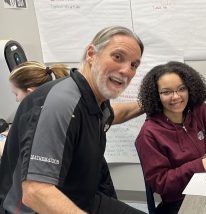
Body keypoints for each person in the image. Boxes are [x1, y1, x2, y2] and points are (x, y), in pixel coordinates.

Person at [0, 26, 146, 214]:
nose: (126, 70)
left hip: (82, 198)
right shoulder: (61, 103)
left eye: (134, 65)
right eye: (118, 57)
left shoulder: (92, 98)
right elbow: (35, 192)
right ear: (91, 54)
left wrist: (149, 103)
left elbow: (115, 113)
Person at [135, 61, 206, 214]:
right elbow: (161, 183)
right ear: (156, 96)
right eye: (166, 92)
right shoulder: (149, 134)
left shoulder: (198, 110)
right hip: (179, 200)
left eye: (181, 89)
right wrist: (199, 167)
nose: (176, 97)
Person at [0, 61, 69, 157]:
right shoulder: (56, 107)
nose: (17, 99)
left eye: (16, 94)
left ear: (30, 93)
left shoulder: (44, 121)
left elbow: (23, 155)